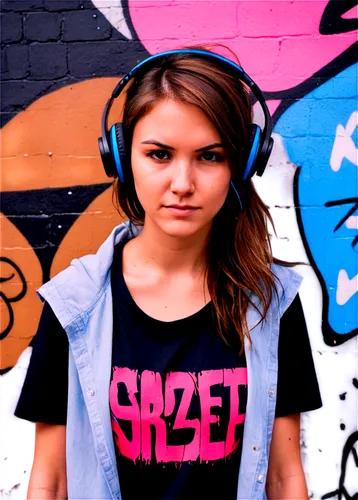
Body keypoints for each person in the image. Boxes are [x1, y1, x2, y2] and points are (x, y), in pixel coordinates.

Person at [15, 46, 322, 500]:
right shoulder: (73, 306)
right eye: (159, 155)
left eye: (210, 156)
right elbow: (50, 480)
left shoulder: (275, 304)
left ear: (242, 163)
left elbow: (286, 475)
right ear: (121, 158)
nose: (182, 183)